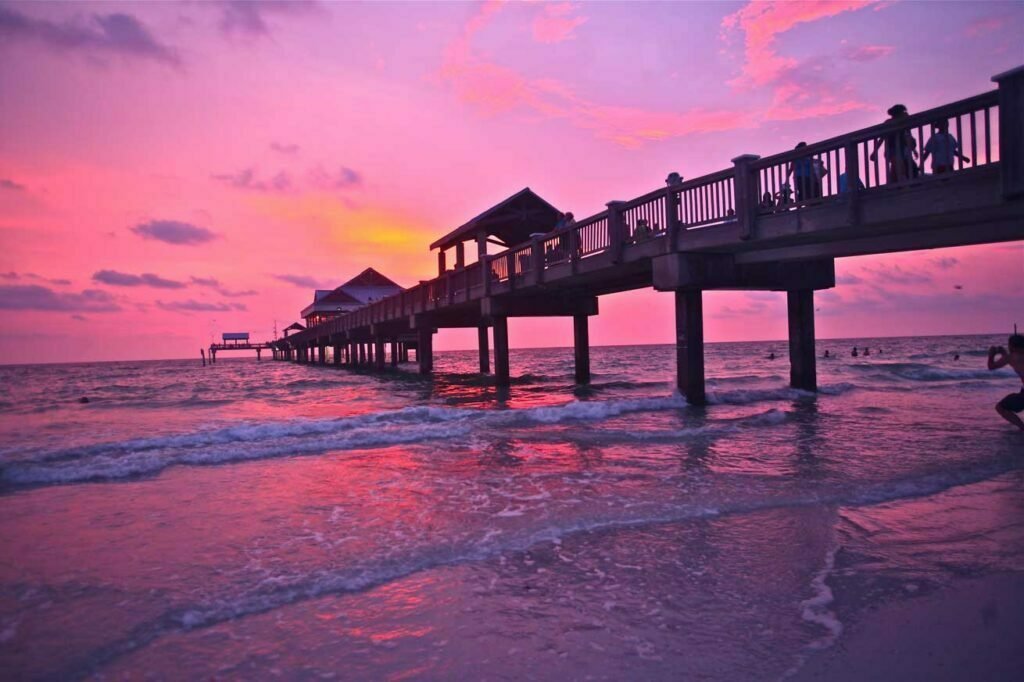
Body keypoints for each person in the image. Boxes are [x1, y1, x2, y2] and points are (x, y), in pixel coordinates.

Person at [870, 104, 917, 183]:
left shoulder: (905, 124)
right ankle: (901, 181)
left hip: (903, 150)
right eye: (903, 112)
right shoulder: (889, 123)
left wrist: (914, 150)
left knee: (900, 167)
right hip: (892, 150)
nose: (905, 114)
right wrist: (874, 151)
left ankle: (893, 183)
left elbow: (908, 136)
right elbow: (881, 138)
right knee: (898, 164)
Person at [988, 334, 1024, 431]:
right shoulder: (1011, 357)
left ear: (1012, 346)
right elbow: (1014, 362)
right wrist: (1004, 353)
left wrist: (991, 354)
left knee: (1000, 407)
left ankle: (1022, 427)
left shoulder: (1011, 357)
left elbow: (991, 366)